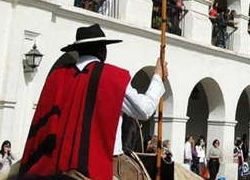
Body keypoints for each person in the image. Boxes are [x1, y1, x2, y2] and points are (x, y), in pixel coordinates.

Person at [19, 24, 167, 180]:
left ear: (78, 51)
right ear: (103, 51)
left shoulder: (57, 76)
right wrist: (157, 76)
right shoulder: (112, 77)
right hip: (103, 161)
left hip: (54, 161)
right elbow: (145, 110)